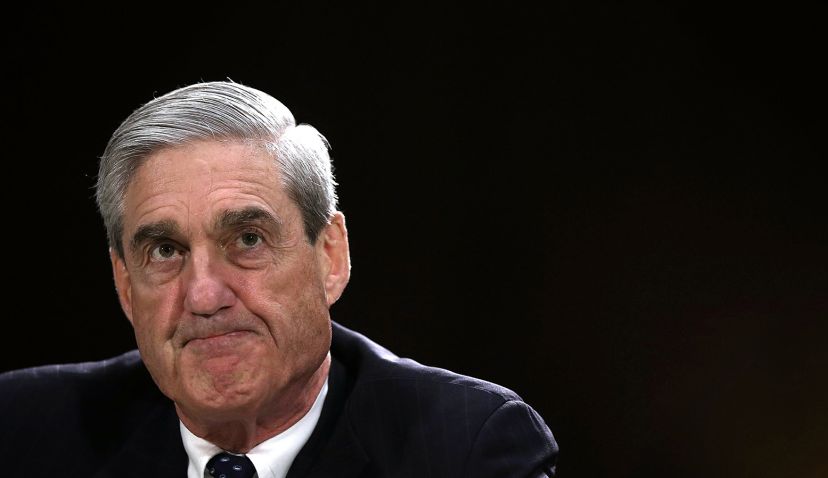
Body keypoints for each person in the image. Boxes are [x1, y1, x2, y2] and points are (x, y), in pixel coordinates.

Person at [0, 81, 558, 477]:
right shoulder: (23, 430)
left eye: (247, 240)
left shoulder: (464, 449)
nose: (204, 296)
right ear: (125, 285)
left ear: (330, 257)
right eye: (165, 250)